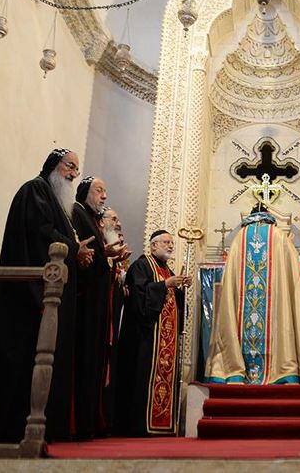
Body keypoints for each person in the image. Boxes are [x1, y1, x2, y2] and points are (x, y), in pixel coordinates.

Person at [0, 148, 95, 442]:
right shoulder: (35, 190)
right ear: (52, 165)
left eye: (76, 169)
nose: (73, 174)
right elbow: (40, 234)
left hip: (48, 297)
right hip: (28, 298)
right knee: (23, 364)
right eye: (69, 166)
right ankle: (14, 432)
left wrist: (78, 252)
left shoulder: (58, 203)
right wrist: (76, 250)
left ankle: (44, 428)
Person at [204, 204, 300, 384]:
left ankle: (235, 372)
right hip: (275, 316)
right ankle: (282, 372)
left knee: (236, 321)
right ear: (268, 216)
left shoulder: (239, 238)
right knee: (282, 318)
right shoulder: (279, 237)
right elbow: (292, 274)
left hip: (242, 316)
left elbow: (229, 278)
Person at [114, 230, 189, 436]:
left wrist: (179, 288)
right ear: (153, 245)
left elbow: (172, 300)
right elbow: (139, 298)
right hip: (144, 338)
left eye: (172, 243)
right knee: (141, 379)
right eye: (166, 242)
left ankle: (162, 426)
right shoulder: (142, 265)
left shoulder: (166, 269)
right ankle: (140, 426)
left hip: (163, 341)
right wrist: (165, 285)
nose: (170, 246)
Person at [70, 177, 127, 437]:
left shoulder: (88, 217)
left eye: (106, 192)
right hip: (85, 304)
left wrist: (108, 256)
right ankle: (82, 423)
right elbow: (86, 259)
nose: (104, 197)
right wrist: (106, 255)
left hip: (99, 308)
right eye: (99, 191)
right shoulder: (78, 214)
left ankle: (90, 421)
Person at [99, 207, 131, 433]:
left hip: (113, 322)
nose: (119, 224)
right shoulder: (98, 247)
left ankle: (107, 419)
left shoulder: (118, 256)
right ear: (101, 223)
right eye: (114, 219)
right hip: (100, 321)